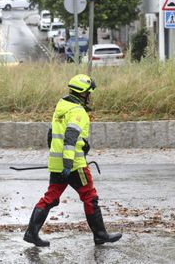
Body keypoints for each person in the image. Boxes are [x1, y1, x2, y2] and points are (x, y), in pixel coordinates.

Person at [23, 74, 122, 247]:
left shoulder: (61, 107)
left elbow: (52, 135)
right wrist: (69, 163)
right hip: (74, 165)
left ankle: (31, 233)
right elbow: (69, 138)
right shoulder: (78, 112)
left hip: (57, 163)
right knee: (90, 197)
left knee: (50, 198)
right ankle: (100, 235)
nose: (90, 96)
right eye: (89, 93)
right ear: (83, 93)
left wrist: (82, 144)